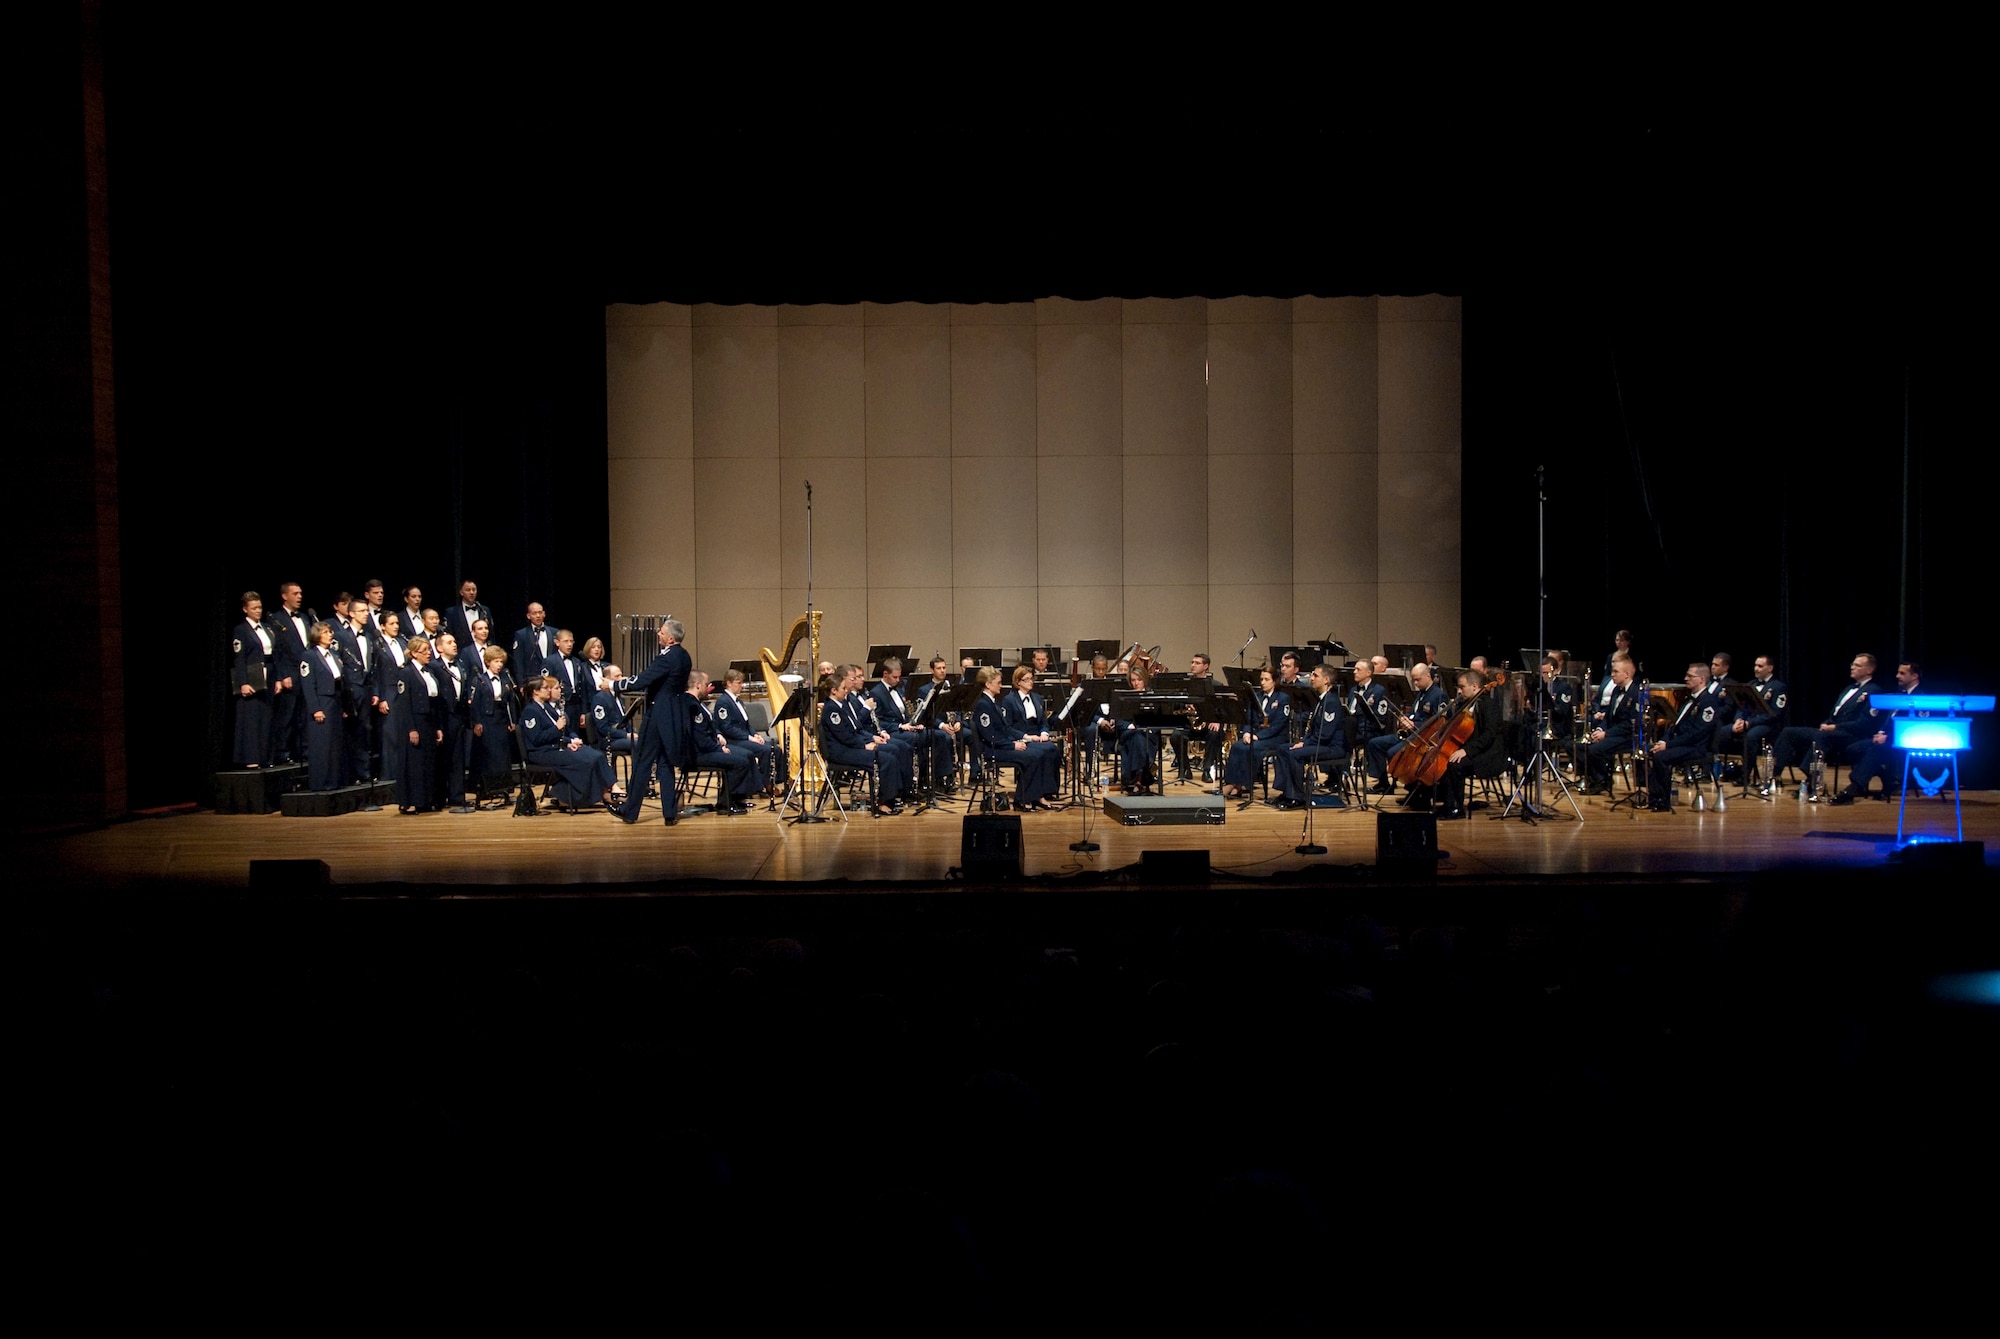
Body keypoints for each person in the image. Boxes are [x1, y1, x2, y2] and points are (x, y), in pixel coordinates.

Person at [609, 619, 691, 825]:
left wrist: (613, 684)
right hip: (673, 715)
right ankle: (669, 813)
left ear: (670, 639)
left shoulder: (668, 658)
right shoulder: (684, 656)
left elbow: (643, 680)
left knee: (643, 761)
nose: (658, 634)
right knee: (665, 763)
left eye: (661, 632)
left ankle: (630, 810)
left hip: (657, 715)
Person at [1770, 653, 1888, 791]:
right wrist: (1827, 724)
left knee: (1823, 736)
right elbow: (1835, 714)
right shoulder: (1849, 689)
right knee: (1789, 732)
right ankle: (1773, 774)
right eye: (1853, 664)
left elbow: (1865, 723)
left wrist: (1835, 727)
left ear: (1869, 670)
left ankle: (1812, 779)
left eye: (1857, 665)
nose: (1852, 667)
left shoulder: (1874, 691)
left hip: (1852, 735)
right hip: (1833, 731)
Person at [1832, 661, 1925, 803]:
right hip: (1887, 738)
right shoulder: (1899, 695)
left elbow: (1917, 727)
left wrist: (1888, 736)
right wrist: (1881, 732)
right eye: (1898, 672)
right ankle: (1889, 779)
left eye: (1902, 673)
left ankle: (1853, 789)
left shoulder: (1922, 697)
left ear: (1914, 676)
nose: (1897, 676)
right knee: (1852, 749)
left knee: (1876, 750)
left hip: (1905, 741)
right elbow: (1889, 720)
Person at [520, 673, 618, 808]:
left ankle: (609, 788)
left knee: (594, 755)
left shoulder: (546, 708)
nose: (549, 690)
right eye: (545, 688)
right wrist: (556, 728)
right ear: (536, 692)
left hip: (555, 747)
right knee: (584, 761)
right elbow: (537, 739)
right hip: (541, 753)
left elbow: (559, 733)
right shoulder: (530, 711)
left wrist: (569, 742)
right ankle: (570, 795)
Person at [970, 665, 1060, 810]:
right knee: (1032, 756)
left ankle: (1036, 795)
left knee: (1039, 752)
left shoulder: (993, 702)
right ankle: (1022, 800)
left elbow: (1005, 729)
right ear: (988, 684)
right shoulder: (983, 705)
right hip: (992, 750)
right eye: (998, 683)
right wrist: (1012, 745)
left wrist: (1020, 739)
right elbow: (990, 736)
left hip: (1001, 745)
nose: (1001, 685)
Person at [822, 663, 902, 815]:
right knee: (886, 759)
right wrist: (864, 746)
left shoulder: (840, 704)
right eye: (843, 689)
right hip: (841, 752)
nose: (846, 692)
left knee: (889, 755)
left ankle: (889, 799)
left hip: (849, 747)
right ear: (833, 691)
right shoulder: (832, 710)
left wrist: (870, 739)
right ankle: (884, 803)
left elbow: (854, 729)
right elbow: (844, 737)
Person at [1435, 669, 1512, 819]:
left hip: (1488, 753)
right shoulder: (1464, 704)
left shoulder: (1488, 705)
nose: (1459, 691)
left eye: (1462, 687)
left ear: (1475, 687)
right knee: (1443, 758)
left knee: (1455, 764)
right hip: (1472, 749)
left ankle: (1456, 808)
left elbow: (1489, 736)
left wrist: (1467, 751)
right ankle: (1446, 802)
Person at [871, 657, 955, 795]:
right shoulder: (877, 692)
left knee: (938, 736)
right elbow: (878, 721)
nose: (898, 680)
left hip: (907, 727)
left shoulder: (898, 689)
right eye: (895, 677)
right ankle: (914, 783)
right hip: (893, 731)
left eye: (899, 677)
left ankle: (939, 779)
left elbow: (905, 712)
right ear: (885, 674)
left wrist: (915, 723)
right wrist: (900, 726)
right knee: (915, 740)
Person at [1647, 663, 1720, 811]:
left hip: (1697, 748)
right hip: (1682, 744)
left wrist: (1668, 745)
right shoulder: (1688, 700)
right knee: (1647, 751)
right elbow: (1675, 727)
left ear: (1701, 679)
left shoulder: (1708, 703)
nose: (1685, 679)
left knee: (1662, 757)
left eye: (1690, 676)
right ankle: (1653, 796)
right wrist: (1663, 740)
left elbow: (1696, 734)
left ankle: (1663, 801)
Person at [1275, 663, 1346, 808]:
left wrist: (1305, 744)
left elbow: (1324, 735)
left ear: (1326, 680)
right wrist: (1303, 740)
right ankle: (1287, 792)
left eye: (1315, 675)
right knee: (1282, 749)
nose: (1311, 678)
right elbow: (1313, 730)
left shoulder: (1331, 702)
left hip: (1332, 747)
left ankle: (1297, 797)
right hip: (1319, 743)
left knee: (1295, 754)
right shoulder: (1321, 699)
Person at [1365, 661, 1443, 795]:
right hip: (1409, 734)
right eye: (1414, 680)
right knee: (1375, 744)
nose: (1416, 683)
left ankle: (1410, 785)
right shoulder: (1421, 693)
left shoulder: (1438, 695)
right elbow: (1414, 712)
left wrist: (1415, 725)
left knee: (1392, 752)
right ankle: (1383, 783)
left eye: (1418, 680)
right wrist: (1405, 718)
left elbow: (1439, 722)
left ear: (1428, 676)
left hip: (1422, 738)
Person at [387, 635, 444, 813]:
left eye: (429, 649)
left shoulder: (430, 671)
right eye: (424, 651)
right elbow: (404, 704)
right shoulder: (406, 673)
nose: (428, 653)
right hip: (414, 721)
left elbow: (436, 701)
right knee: (414, 763)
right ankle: (409, 801)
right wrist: (412, 729)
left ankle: (426, 800)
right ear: (413, 653)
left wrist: (438, 727)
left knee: (428, 762)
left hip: (429, 721)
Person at [686, 672, 756, 814]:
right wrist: (718, 749)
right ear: (697, 685)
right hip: (697, 754)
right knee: (740, 762)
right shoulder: (691, 705)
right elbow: (700, 738)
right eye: (706, 685)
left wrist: (717, 735)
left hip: (706, 749)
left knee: (745, 756)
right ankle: (725, 804)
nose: (709, 688)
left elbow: (708, 728)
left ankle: (734, 799)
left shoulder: (696, 703)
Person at [1221, 666, 1289, 799]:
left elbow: (1278, 725)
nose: (1263, 682)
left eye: (1266, 679)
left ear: (1274, 681)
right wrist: (1247, 733)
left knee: (1250, 749)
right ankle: (1234, 784)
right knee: (1237, 747)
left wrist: (1257, 736)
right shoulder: (1256, 697)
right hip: (1256, 735)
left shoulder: (1282, 698)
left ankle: (1239, 784)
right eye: (1261, 679)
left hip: (1275, 737)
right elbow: (1249, 720)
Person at [1582, 654, 1642, 795]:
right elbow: (1608, 716)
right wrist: (1599, 729)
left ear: (1626, 674)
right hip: (1612, 732)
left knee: (1595, 750)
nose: (1611, 675)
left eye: (1615, 672)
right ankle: (1595, 777)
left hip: (1626, 736)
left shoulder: (1636, 693)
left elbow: (1630, 724)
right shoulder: (1616, 690)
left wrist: (1606, 734)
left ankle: (1603, 780)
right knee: (1580, 746)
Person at [268, 582, 314, 765]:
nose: (299, 596)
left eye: (301, 593)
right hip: (290, 672)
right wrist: (282, 674)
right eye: (295, 593)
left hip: (306, 672)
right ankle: (283, 752)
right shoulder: (276, 619)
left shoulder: (305, 618)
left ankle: (304, 751)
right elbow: (277, 650)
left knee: (304, 714)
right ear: (284, 596)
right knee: (287, 715)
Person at [229, 591, 276, 768]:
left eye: (260, 607)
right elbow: (239, 658)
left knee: (266, 717)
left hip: (268, 675)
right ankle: (251, 758)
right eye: (254, 608)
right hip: (252, 677)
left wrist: (277, 679)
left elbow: (273, 654)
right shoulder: (241, 630)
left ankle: (265, 757)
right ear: (245, 609)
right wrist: (243, 682)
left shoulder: (267, 627)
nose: (258, 611)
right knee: (251, 719)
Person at [298, 620, 345, 792]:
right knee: (321, 745)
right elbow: (308, 685)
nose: (330, 635)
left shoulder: (333, 653)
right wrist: (316, 709)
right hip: (321, 703)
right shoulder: (309, 656)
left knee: (334, 744)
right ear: (317, 635)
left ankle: (334, 781)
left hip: (335, 702)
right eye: (325, 632)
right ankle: (320, 782)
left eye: (330, 632)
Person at [1731, 654, 1790, 792]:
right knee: (1723, 732)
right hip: (1748, 722)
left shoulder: (1778, 687)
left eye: (1760, 666)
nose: (1756, 669)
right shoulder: (1750, 685)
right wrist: (1738, 720)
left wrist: (1750, 723)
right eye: (1755, 665)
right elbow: (1740, 706)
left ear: (1770, 668)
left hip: (1769, 725)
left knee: (1751, 737)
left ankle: (1745, 775)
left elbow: (1775, 713)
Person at [1098, 664, 1159, 794]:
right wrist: (1128, 726)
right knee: (1135, 736)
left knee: (1138, 738)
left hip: (1147, 734)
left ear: (1145, 680)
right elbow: (1116, 720)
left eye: (1139, 680)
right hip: (1128, 732)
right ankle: (1144, 772)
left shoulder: (1153, 696)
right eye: (1133, 680)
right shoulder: (1122, 696)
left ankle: (1135, 779)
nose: (1136, 683)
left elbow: (1158, 719)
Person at [431, 630, 473, 811]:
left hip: (459, 716)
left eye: (454, 641)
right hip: (443, 717)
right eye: (449, 642)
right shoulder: (434, 666)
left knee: (458, 758)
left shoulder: (461, 665)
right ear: (439, 648)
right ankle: (440, 797)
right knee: (443, 759)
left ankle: (457, 796)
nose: (454, 644)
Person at [469, 645, 517, 797]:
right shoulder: (480, 680)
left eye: (501, 662)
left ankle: (503, 787)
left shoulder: (505, 679)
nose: (499, 665)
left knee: (503, 754)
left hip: (501, 719)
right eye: (496, 661)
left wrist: (512, 721)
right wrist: (476, 722)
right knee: (490, 754)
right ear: (488, 662)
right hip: (486, 719)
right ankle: (488, 788)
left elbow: (511, 702)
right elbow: (474, 703)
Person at [512, 602, 556, 685]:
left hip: (552, 679)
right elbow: (518, 661)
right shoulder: (521, 635)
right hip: (532, 680)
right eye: (534, 613)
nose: (538, 616)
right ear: (528, 616)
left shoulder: (554, 632)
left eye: (540, 612)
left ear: (544, 614)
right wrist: (521, 683)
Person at [444, 579, 493, 653]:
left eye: (474, 590)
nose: (471, 592)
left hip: (484, 652)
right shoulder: (452, 612)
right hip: (461, 653)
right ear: (461, 592)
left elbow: (491, 634)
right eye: (468, 590)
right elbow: (449, 634)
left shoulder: (484, 610)